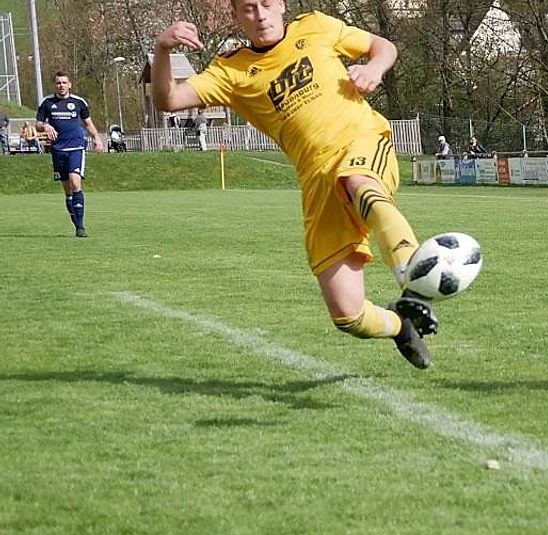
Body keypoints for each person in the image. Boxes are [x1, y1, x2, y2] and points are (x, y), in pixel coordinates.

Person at [151, 0, 440, 369]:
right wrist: (162, 50)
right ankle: (400, 325)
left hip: (361, 141)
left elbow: (382, 46)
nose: (260, 15)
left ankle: (414, 281)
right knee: (348, 314)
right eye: (249, 9)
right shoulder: (230, 70)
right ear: (235, 16)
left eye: (266, 4)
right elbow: (169, 99)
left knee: (359, 182)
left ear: (281, 5)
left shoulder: (315, 25)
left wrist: (374, 68)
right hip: (316, 180)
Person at [36, 72, 104, 237]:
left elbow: (88, 123)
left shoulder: (79, 102)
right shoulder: (47, 103)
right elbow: (38, 123)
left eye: (64, 82)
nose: (61, 85)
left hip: (76, 147)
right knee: (67, 190)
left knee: (75, 182)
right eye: (58, 83)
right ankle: (76, 224)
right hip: (58, 150)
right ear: (55, 85)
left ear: (69, 84)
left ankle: (81, 227)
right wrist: (45, 126)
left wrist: (96, 138)